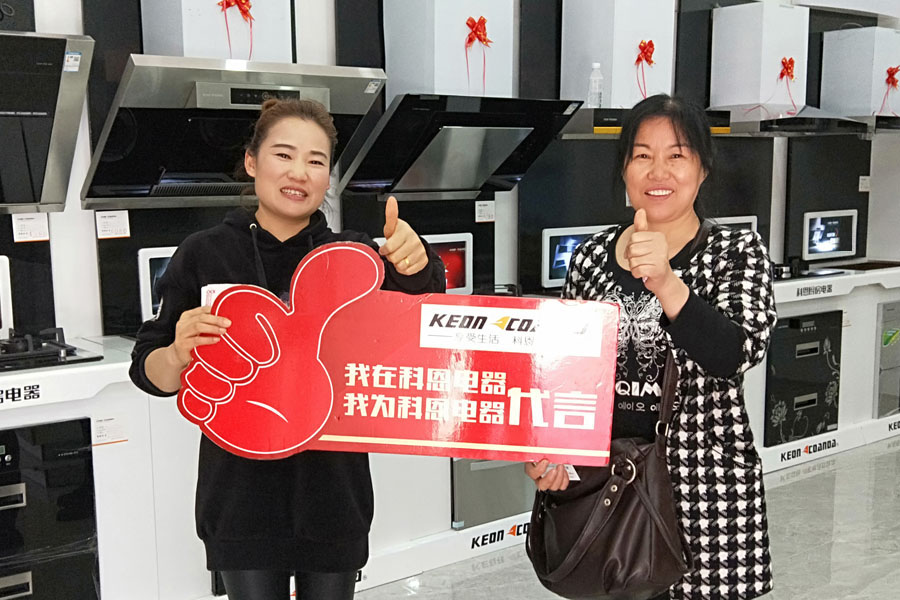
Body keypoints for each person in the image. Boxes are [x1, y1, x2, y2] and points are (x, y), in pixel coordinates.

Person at [129, 97, 446, 600]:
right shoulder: (204, 253)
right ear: (252, 161)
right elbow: (149, 371)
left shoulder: (354, 255)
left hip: (334, 498)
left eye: (316, 161)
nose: (299, 172)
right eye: (283, 154)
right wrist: (176, 354)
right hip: (238, 501)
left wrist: (416, 259)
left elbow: (422, 305)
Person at [525, 94, 777, 600]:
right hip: (607, 494)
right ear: (624, 169)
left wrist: (665, 281)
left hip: (703, 498)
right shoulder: (591, 257)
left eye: (676, 155)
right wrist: (549, 452)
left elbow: (734, 354)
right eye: (642, 155)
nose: (658, 171)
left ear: (703, 169)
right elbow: (564, 376)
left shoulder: (735, 252)